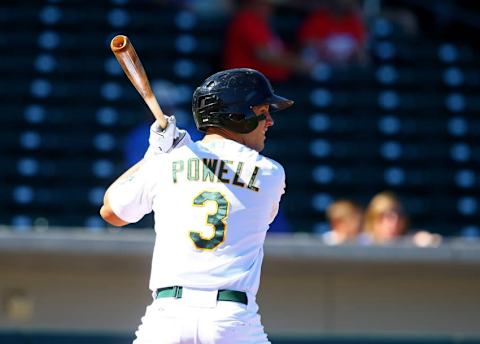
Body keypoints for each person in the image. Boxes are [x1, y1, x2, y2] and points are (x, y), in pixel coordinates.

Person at [100, 68, 293, 343]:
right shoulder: (270, 173)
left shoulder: (167, 161)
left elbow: (111, 211)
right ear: (237, 115)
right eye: (263, 111)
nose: (270, 121)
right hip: (232, 319)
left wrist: (154, 155)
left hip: (167, 317)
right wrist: (180, 155)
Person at [223, 0, 311, 82]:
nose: (271, 10)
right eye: (266, 5)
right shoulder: (247, 20)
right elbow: (264, 55)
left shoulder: (262, 23)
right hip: (248, 84)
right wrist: (299, 64)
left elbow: (277, 51)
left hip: (268, 83)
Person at [297, 0, 368, 66]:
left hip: (347, 66)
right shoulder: (317, 18)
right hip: (321, 66)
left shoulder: (354, 21)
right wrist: (324, 48)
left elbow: (361, 48)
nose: (343, 5)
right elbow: (306, 44)